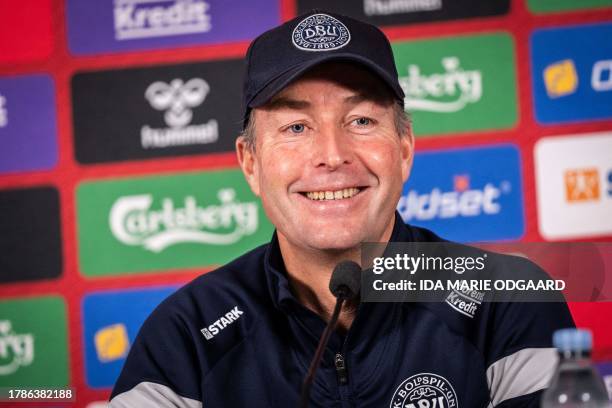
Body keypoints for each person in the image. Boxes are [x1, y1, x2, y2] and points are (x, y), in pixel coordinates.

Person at [109, 11, 574, 407]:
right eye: (295, 127)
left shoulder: (507, 300)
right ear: (250, 163)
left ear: (405, 148)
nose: (332, 154)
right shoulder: (184, 335)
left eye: (362, 120)